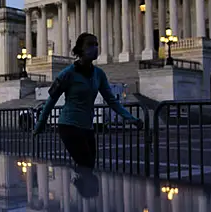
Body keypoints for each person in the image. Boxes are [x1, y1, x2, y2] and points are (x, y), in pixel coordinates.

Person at [33, 33, 143, 191]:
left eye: (96, 44)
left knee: (89, 165)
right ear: (80, 49)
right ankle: (83, 195)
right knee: (86, 164)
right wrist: (41, 124)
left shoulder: (99, 74)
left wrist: (131, 118)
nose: (95, 48)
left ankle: (80, 190)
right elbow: (51, 100)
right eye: (91, 45)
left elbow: (112, 101)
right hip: (68, 125)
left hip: (87, 127)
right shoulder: (67, 73)